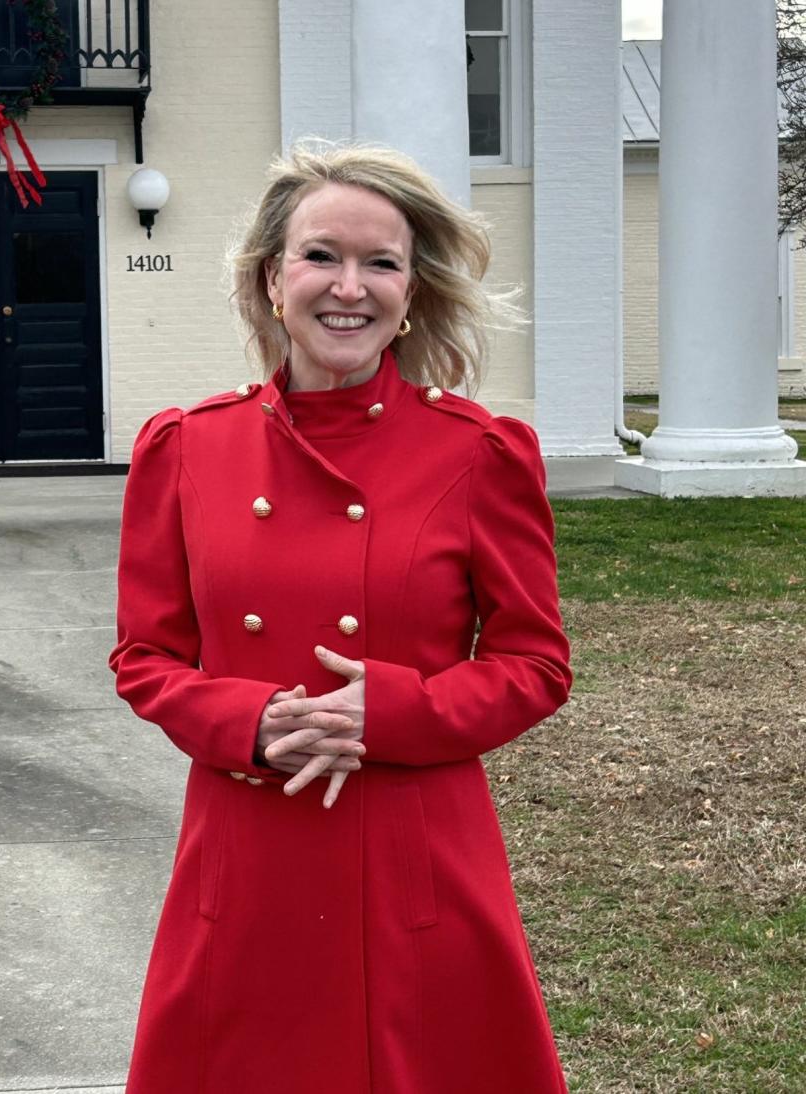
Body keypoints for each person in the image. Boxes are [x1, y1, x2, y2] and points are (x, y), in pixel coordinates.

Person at [109, 142, 573, 1093]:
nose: (348, 287)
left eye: (382, 263)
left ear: (412, 291)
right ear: (273, 279)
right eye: (322, 255)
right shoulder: (187, 449)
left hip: (418, 853)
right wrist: (245, 722)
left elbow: (534, 663)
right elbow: (145, 655)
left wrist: (390, 714)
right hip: (248, 844)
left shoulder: (479, 454)